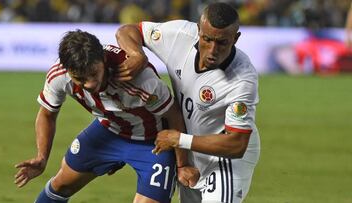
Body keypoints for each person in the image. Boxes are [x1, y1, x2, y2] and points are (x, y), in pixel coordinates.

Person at [14, 30, 197, 203]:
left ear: (103, 58)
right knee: (61, 184)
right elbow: (47, 114)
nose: (90, 84)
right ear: (68, 71)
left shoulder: (140, 79)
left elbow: (174, 115)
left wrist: (181, 164)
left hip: (153, 142)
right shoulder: (60, 76)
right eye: (80, 79)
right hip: (109, 131)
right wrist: (42, 157)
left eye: (94, 73)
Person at [115, 2, 260, 203]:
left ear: (235, 38)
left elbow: (237, 144)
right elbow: (128, 31)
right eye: (207, 39)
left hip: (225, 159)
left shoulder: (242, 80)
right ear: (198, 30)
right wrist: (137, 54)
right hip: (192, 151)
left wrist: (179, 140)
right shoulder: (180, 35)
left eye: (222, 43)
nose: (212, 50)